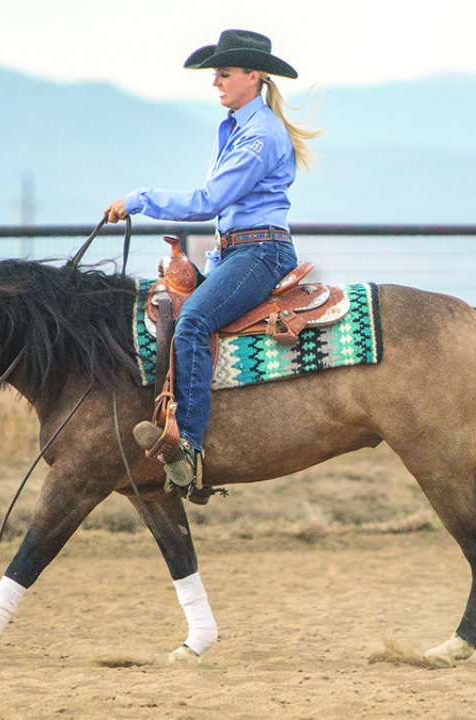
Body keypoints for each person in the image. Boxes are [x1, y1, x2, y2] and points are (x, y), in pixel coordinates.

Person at [104, 29, 320, 490]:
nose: (215, 82)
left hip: (260, 252)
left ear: (253, 75)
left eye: (223, 73)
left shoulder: (259, 136)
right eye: (215, 74)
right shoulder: (237, 127)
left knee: (194, 322)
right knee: (169, 307)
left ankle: (189, 449)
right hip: (237, 251)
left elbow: (209, 200)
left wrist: (139, 199)